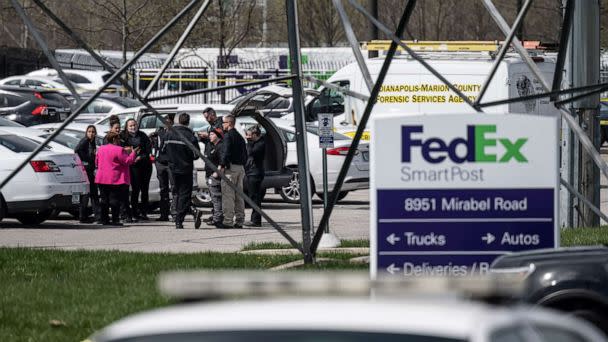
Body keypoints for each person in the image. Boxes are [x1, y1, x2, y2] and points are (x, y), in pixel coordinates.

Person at [165, 113, 200, 229]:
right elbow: (196, 155)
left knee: (177, 193)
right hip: (185, 169)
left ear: (179, 121)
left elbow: (163, 151)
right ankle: (179, 220)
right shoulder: (190, 136)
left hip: (172, 168)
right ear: (188, 122)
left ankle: (191, 211)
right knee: (185, 194)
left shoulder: (169, 133)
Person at [95, 132, 138, 226]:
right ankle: (115, 220)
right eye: (118, 139)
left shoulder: (101, 148)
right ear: (114, 139)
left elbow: (97, 161)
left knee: (104, 200)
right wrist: (134, 152)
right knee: (114, 200)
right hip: (114, 178)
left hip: (101, 178)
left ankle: (104, 219)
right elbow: (128, 161)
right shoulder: (119, 150)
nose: (119, 141)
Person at [218, 114, 247, 228]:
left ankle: (228, 221)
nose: (222, 125)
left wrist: (222, 165)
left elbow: (225, 152)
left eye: (224, 123)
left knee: (228, 195)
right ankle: (240, 220)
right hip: (240, 168)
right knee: (239, 196)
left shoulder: (228, 136)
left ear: (229, 123)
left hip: (230, 169)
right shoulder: (239, 136)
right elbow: (245, 154)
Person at [121, 119, 153, 221]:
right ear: (126, 126)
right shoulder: (123, 136)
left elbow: (148, 150)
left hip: (145, 165)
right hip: (133, 166)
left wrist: (141, 156)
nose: (132, 127)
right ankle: (134, 212)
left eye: (134, 125)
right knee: (135, 189)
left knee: (145, 189)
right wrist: (132, 156)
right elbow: (121, 150)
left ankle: (144, 212)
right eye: (130, 125)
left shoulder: (143, 135)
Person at [150, 113, 175, 222]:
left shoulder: (175, 132)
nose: (166, 123)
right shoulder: (159, 132)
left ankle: (175, 213)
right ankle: (164, 214)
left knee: (174, 188)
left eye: (168, 121)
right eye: (164, 121)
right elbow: (156, 146)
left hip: (171, 163)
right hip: (160, 162)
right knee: (163, 189)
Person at [75, 125, 99, 224]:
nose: (91, 133)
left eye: (93, 132)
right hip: (86, 170)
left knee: (92, 194)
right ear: (86, 132)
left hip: (90, 170)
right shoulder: (85, 141)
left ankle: (92, 216)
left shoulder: (92, 142)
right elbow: (77, 150)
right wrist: (88, 160)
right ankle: (85, 216)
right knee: (89, 194)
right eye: (89, 131)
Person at [203, 128, 225, 228]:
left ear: (217, 135)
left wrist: (217, 173)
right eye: (209, 134)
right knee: (213, 198)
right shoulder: (210, 145)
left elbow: (222, 162)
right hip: (208, 175)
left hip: (214, 176)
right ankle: (215, 217)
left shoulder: (220, 146)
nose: (210, 136)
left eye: (212, 134)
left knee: (216, 198)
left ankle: (218, 219)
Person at [244, 125, 265, 227]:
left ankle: (256, 220)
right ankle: (255, 219)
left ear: (254, 135)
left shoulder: (260, 144)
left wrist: (249, 142)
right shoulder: (256, 143)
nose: (247, 137)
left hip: (255, 173)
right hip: (251, 172)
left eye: (249, 135)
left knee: (255, 197)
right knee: (253, 196)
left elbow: (250, 152)